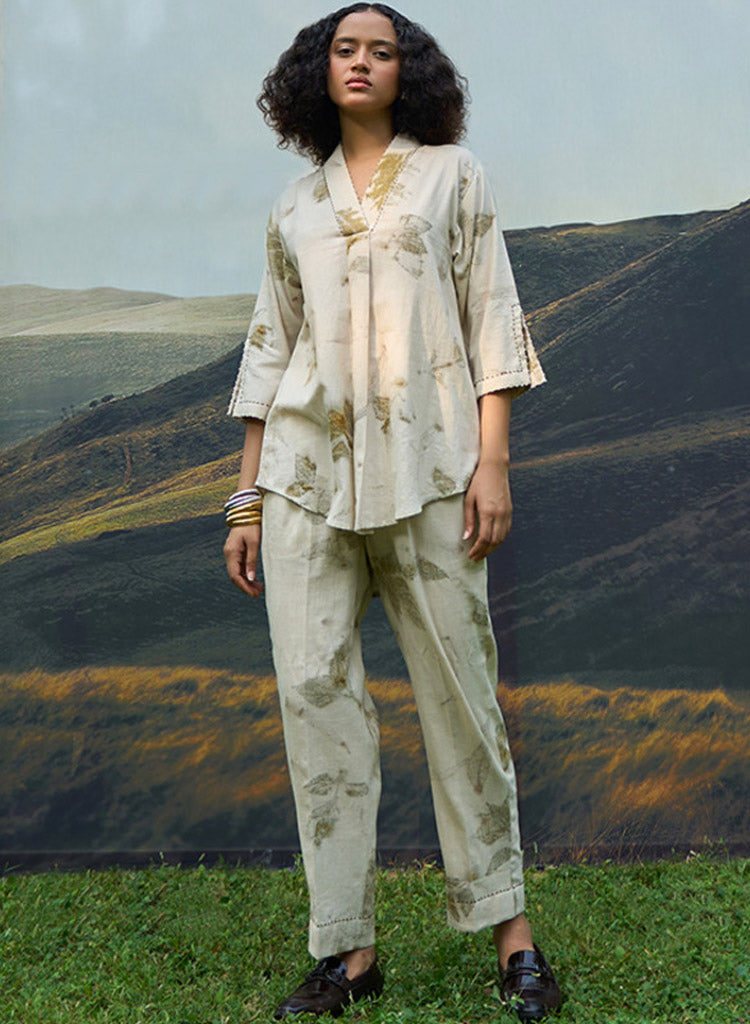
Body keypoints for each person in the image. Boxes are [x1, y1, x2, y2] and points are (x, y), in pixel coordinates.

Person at [223, 4, 562, 1020]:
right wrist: (244, 500)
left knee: (464, 698)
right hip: (302, 485)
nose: (362, 63)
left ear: (407, 69)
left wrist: (492, 462)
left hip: (432, 472)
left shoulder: (454, 177)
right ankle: (349, 952)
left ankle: (513, 937)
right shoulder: (294, 207)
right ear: (318, 72)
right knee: (315, 704)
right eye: (345, 49)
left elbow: (491, 318)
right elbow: (270, 352)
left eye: (381, 50)